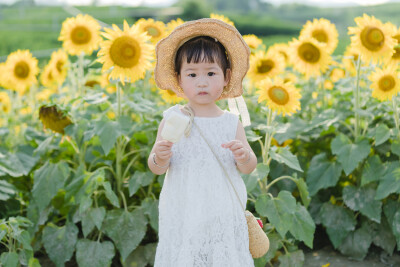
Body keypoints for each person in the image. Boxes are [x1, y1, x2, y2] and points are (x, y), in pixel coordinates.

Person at [148, 18, 257, 266]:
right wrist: (160, 156)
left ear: (227, 76)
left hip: (222, 211)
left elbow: (249, 166)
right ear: (179, 78)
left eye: (211, 72)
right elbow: (156, 167)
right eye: (192, 74)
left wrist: (244, 156)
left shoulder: (231, 123)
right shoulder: (173, 119)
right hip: (184, 208)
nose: (202, 81)